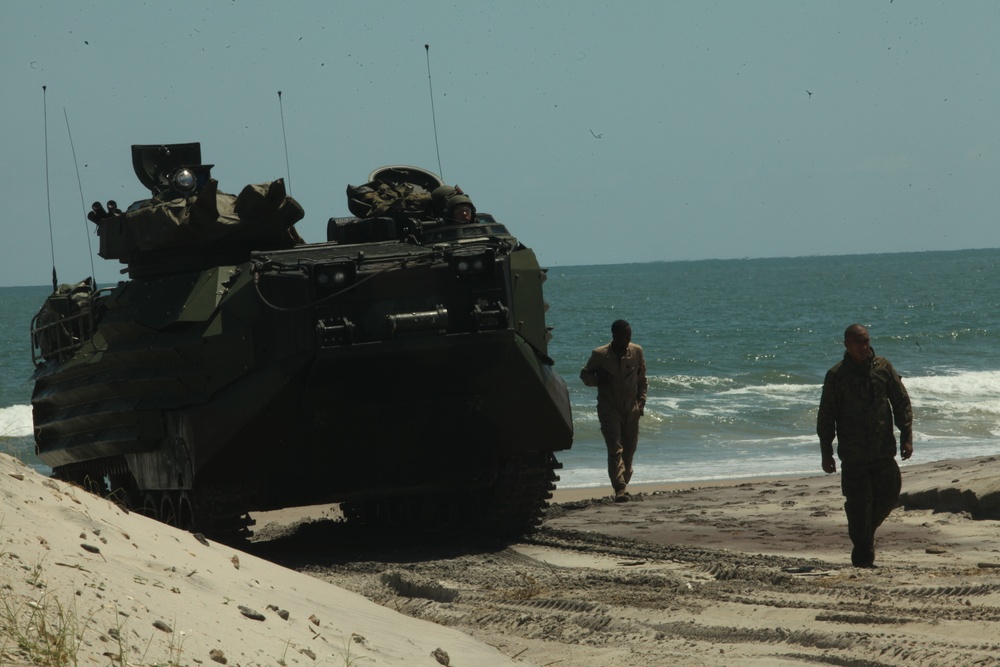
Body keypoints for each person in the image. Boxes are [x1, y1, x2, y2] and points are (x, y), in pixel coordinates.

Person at [817, 323, 913, 568]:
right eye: (858, 342)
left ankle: (865, 536)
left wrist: (907, 435)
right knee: (858, 506)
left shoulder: (883, 367)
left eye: (866, 341)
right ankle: (863, 553)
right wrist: (826, 452)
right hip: (853, 455)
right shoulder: (837, 375)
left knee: (890, 494)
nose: (864, 346)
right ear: (847, 345)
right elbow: (826, 416)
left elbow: (900, 401)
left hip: (883, 450)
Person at [580, 320, 648, 502]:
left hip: (631, 409)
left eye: (630, 335)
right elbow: (585, 375)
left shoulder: (636, 352)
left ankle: (623, 486)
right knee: (615, 448)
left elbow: (642, 380)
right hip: (609, 408)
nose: (628, 338)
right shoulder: (600, 355)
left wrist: (641, 403)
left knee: (629, 451)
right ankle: (620, 488)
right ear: (614, 335)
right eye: (624, 335)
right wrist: (598, 380)